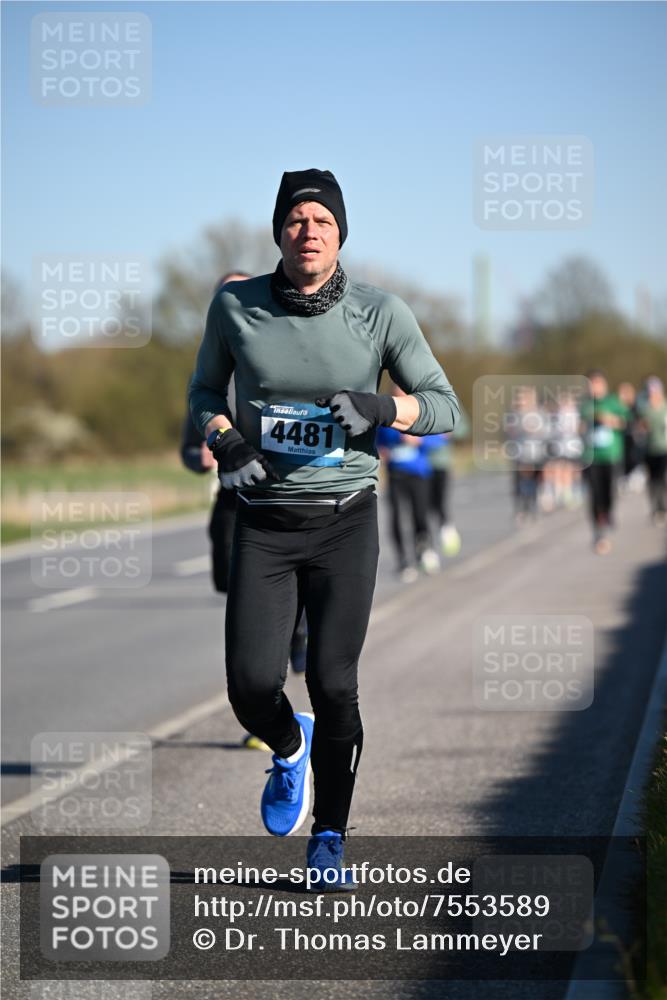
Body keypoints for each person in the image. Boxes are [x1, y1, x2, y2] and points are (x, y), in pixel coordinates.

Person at [189, 168, 459, 887]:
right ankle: (287, 746)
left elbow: (444, 405)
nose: (308, 232)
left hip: (344, 522)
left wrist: (382, 409)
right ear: (278, 230)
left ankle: (330, 838)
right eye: (296, 220)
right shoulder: (235, 307)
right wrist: (226, 439)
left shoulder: (380, 312)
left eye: (322, 222)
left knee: (335, 685)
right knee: (250, 685)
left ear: (340, 234)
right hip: (264, 524)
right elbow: (203, 393)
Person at [180, 273, 308, 679]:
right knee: (231, 584)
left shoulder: (279, 359)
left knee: (263, 597)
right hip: (231, 497)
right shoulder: (207, 375)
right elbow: (188, 445)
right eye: (225, 295)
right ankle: (271, 660)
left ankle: (286, 646)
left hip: (277, 496)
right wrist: (198, 456)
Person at [376, 420, 442, 583]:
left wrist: (419, 440)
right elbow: (377, 441)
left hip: (418, 474)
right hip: (395, 475)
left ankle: (424, 551)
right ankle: (403, 560)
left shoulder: (419, 411)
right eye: (395, 393)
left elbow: (439, 438)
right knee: (396, 516)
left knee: (419, 514)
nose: (399, 394)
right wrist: (381, 451)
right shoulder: (386, 416)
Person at [579, 370, 628, 554]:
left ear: (604, 384)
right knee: (594, 494)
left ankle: (607, 514)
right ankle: (599, 532)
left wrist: (612, 420)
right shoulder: (585, 403)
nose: (595, 388)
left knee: (609, 492)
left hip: (611, 455)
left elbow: (625, 421)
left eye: (597, 384)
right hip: (591, 457)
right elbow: (581, 421)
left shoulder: (613, 401)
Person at [637, 376, 667, 525]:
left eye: (655, 391)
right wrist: (642, 427)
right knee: (653, 481)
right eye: (651, 391)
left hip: (664, 449)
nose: (653, 394)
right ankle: (655, 508)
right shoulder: (645, 409)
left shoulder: (665, 407)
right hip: (649, 449)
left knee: (662, 479)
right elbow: (640, 429)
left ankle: (662, 508)